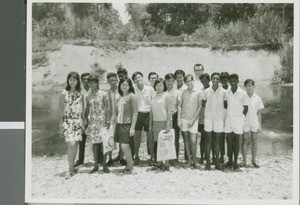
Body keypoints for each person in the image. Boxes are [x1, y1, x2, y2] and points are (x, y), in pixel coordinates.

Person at [59, 72, 85, 179]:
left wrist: (83, 122)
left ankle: (72, 166)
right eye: (70, 79)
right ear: (68, 81)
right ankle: (70, 169)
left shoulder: (81, 93)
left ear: (78, 81)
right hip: (68, 122)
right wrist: (60, 124)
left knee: (75, 145)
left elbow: (83, 110)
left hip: (78, 122)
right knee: (72, 143)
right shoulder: (63, 93)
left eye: (74, 80)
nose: (72, 82)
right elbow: (60, 110)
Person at [85, 75, 110, 174]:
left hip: (102, 120)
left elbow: (107, 108)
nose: (91, 85)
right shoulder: (88, 95)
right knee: (95, 144)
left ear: (97, 83)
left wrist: (108, 121)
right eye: (89, 83)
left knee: (104, 144)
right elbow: (87, 109)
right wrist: (86, 120)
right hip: (94, 122)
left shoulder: (103, 94)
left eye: (93, 83)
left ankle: (104, 165)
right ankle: (95, 165)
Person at [202, 72, 227, 171]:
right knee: (208, 140)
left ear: (219, 80)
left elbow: (225, 105)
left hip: (219, 119)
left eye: (217, 79)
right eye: (214, 79)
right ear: (211, 80)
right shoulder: (206, 91)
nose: (215, 80)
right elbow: (203, 104)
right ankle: (208, 162)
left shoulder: (224, 92)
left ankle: (216, 162)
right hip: (208, 118)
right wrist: (208, 113)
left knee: (217, 141)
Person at [224, 73, 249, 171]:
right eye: (231, 81)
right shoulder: (227, 92)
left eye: (235, 81)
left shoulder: (243, 93)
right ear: (229, 82)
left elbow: (246, 108)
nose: (233, 83)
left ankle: (235, 162)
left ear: (238, 82)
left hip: (238, 120)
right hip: (229, 119)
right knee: (229, 140)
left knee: (237, 141)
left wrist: (241, 118)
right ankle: (229, 160)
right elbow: (225, 105)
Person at [178, 74, 202, 169]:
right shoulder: (183, 92)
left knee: (193, 140)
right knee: (186, 140)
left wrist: (193, 120)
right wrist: (179, 119)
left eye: (190, 80)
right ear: (185, 83)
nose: (189, 83)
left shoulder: (199, 92)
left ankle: (195, 161)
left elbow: (200, 106)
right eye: (186, 81)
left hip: (194, 120)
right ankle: (188, 160)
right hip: (184, 119)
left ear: (193, 81)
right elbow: (179, 106)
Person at [132, 72, 156, 165]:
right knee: (137, 137)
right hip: (138, 114)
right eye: (135, 78)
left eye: (139, 77)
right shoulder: (134, 90)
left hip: (148, 114)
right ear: (134, 81)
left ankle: (152, 157)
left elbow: (154, 102)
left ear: (142, 77)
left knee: (149, 137)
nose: (138, 79)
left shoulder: (150, 89)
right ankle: (136, 157)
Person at [114, 78, 138, 174]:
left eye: (126, 85)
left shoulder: (132, 96)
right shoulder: (120, 97)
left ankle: (131, 169)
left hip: (127, 124)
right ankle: (128, 166)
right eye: (122, 84)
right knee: (123, 146)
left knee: (125, 146)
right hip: (119, 124)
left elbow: (135, 113)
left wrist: (132, 127)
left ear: (129, 86)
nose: (124, 86)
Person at [241, 79, 264, 168]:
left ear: (254, 86)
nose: (248, 87)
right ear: (244, 87)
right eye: (247, 86)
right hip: (245, 121)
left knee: (254, 141)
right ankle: (244, 161)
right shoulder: (243, 96)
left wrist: (259, 124)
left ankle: (253, 160)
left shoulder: (258, 98)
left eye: (250, 85)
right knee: (245, 140)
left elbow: (259, 113)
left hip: (254, 122)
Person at [151, 78, 172, 171]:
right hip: (155, 122)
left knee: (166, 143)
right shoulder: (154, 96)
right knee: (157, 143)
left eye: (160, 85)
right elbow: (151, 111)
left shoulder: (166, 95)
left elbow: (169, 111)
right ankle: (159, 162)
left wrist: (168, 123)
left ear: (164, 85)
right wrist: (151, 124)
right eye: (157, 85)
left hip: (164, 122)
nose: (158, 87)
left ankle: (167, 163)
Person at [74, 73, 91, 167]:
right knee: (82, 139)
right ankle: (81, 159)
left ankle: (99, 158)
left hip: (94, 117)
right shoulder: (79, 92)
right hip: (83, 118)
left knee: (98, 139)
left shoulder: (94, 90)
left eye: (87, 79)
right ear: (81, 80)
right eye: (83, 79)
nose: (86, 81)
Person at [165, 73, 181, 163]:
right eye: (168, 81)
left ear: (174, 82)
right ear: (165, 81)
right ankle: (166, 157)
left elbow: (178, 106)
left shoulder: (177, 92)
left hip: (174, 116)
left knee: (175, 137)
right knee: (166, 137)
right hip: (164, 117)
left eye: (171, 81)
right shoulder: (163, 92)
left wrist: (173, 115)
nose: (169, 83)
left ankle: (175, 158)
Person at [198, 73, 211, 164]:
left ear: (209, 80)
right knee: (202, 138)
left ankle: (208, 156)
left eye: (205, 81)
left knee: (209, 138)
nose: (204, 83)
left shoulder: (212, 90)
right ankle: (202, 157)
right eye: (202, 81)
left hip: (210, 118)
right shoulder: (200, 91)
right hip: (202, 118)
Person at [219, 72, 230, 164]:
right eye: (222, 79)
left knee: (230, 137)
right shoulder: (219, 89)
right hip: (221, 116)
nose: (223, 81)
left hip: (230, 117)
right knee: (221, 137)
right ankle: (221, 156)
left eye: (225, 79)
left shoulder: (232, 89)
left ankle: (230, 157)